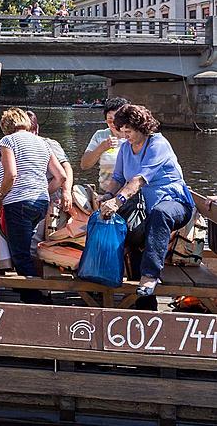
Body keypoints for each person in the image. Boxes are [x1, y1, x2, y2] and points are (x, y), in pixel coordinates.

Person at [99, 104, 194, 306]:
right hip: (143, 208)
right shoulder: (125, 147)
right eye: (122, 131)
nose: (125, 136)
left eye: (129, 131)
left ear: (142, 127)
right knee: (134, 236)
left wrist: (118, 201)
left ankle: (150, 275)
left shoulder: (158, 144)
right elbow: (117, 178)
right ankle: (143, 305)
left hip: (175, 204)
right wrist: (107, 195)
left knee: (160, 214)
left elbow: (139, 180)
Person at [0, 108, 66, 304]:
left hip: (18, 203)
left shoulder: (7, 141)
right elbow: (61, 176)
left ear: (6, 126)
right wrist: (41, 191)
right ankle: (31, 293)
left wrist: (0, 195)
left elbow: (12, 174)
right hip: (41, 202)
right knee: (27, 250)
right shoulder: (42, 143)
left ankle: (36, 299)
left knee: (20, 254)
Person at [26, 110, 73, 256]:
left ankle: (33, 271)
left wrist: (66, 191)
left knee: (37, 239)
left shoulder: (49, 144)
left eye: (29, 132)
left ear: (36, 130)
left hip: (48, 196)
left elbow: (66, 169)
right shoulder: (15, 145)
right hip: (28, 198)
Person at [80, 97, 130, 192]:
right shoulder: (100, 135)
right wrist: (101, 148)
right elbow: (84, 165)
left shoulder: (135, 136)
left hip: (129, 193)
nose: (114, 123)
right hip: (105, 192)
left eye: (117, 119)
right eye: (109, 120)